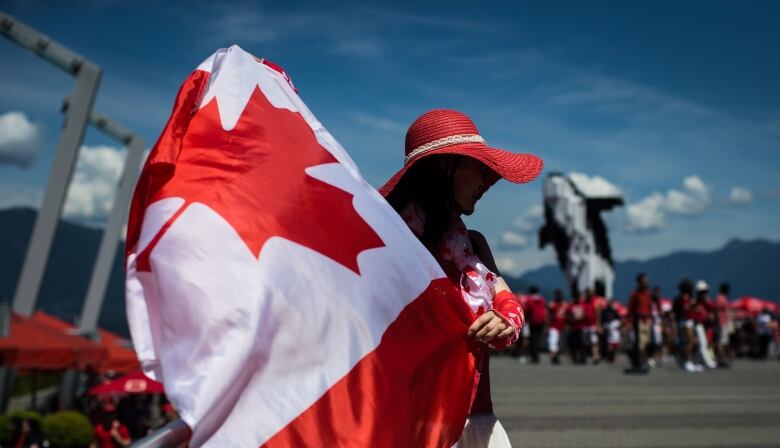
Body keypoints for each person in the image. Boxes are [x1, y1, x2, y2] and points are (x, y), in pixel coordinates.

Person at [382, 109, 543, 447]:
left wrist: (506, 321)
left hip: (477, 421)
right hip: (413, 423)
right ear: (445, 166)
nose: (486, 180)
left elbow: (507, 301)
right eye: (478, 166)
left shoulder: (475, 245)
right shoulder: (390, 242)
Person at [626, 273, 652, 373]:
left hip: (647, 320)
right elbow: (630, 308)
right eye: (645, 280)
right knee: (640, 343)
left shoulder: (647, 293)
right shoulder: (635, 294)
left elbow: (649, 306)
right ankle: (639, 362)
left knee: (646, 342)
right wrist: (628, 322)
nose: (647, 282)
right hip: (638, 320)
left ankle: (640, 360)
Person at [525, 286, 548, 364]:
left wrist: (526, 319)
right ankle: (537, 355)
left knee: (533, 339)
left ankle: (534, 356)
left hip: (533, 321)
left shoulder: (530, 299)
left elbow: (527, 310)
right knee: (538, 339)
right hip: (541, 321)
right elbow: (544, 310)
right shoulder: (542, 299)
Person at [713, 283, 733, 367]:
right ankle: (720, 360)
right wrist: (719, 321)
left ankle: (721, 359)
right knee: (721, 342)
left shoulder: (722, 298)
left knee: (723, 342)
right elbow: (717, 310)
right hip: (721, 323)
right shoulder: (720, 298)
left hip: (724, 322)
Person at [566, 292, 587, 364]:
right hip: (573, 327)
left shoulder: (582, 305)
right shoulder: (571, 306)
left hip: (580, 327)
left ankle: (583, 358)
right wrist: (572, 319)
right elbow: (567, 315)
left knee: (581, 343)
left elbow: (585, 314)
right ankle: (574, 358)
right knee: (573, 344)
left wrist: (581, 317)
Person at [548, 289, 567, 365]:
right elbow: (549, 316)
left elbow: (567, 316)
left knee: (560, 343)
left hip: (562, 327)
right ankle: (553, 357)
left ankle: (557, 356)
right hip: (554, 326)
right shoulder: (552, 304)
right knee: (553, 342)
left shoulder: (565, 305)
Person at [600, 299, 621, 363]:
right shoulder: (604, 311)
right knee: (608, 347)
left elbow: (619, 322)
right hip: (608, 332)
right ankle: (608, 357)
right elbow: (602, 320)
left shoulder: (614, 311)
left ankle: (613, 357)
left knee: (615, 349)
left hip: (615, 336)